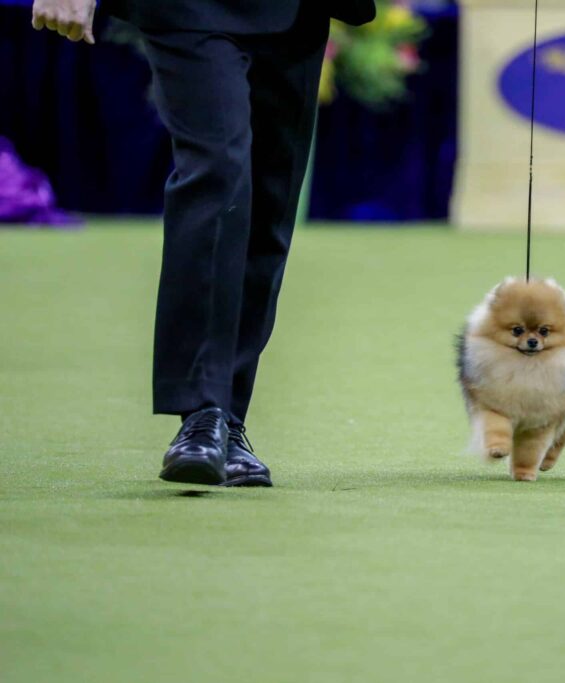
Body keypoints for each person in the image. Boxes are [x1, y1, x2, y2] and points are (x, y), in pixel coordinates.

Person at [31, 0, 377, 487]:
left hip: (295, 9)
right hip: (187, 6)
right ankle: (201, 411)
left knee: (268, 202)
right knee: (217, 170)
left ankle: (229, 420)